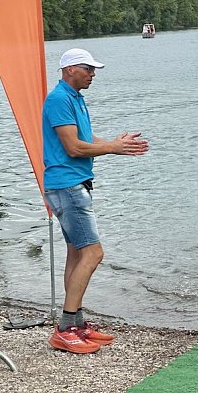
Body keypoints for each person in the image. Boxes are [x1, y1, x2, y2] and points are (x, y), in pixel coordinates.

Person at [43, 48, 148, 354]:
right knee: (94, 253)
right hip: (68, 185)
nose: (93, 74)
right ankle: (65, 328)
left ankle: (75, 322)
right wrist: (114, 149)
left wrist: (116, 142)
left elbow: (86, 139)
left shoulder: (74, 99)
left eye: (93, 69)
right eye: (88, 68)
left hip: (71, 184)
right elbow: (74, 148)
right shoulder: (59, 99)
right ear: (69, 70)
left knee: (76, 253)